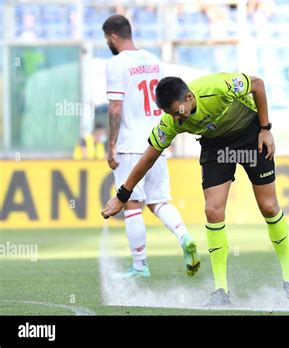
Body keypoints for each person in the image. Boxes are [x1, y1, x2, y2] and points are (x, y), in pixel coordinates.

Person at [101, 72, 289, 306]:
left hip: (249, 134)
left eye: (179, 112)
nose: (178, 120)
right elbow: (149, 157)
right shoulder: (171, 121)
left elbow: (258, 84)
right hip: (216, 146)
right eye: (171, 115)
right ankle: (221, 291)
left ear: (189, 97)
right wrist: (122, 195)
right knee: (213, 211)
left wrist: (265, 128)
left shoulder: (216, 88)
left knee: (268, 207)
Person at [101, 15, 200, 278]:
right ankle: (184, 237)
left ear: (112, 37)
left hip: (130, 145)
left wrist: (111, 146)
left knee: (131, 202)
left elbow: (116, 106)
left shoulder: (115, 64)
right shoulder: (154, 61)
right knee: (158, 201)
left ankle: (139, 265)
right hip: (157, 142)